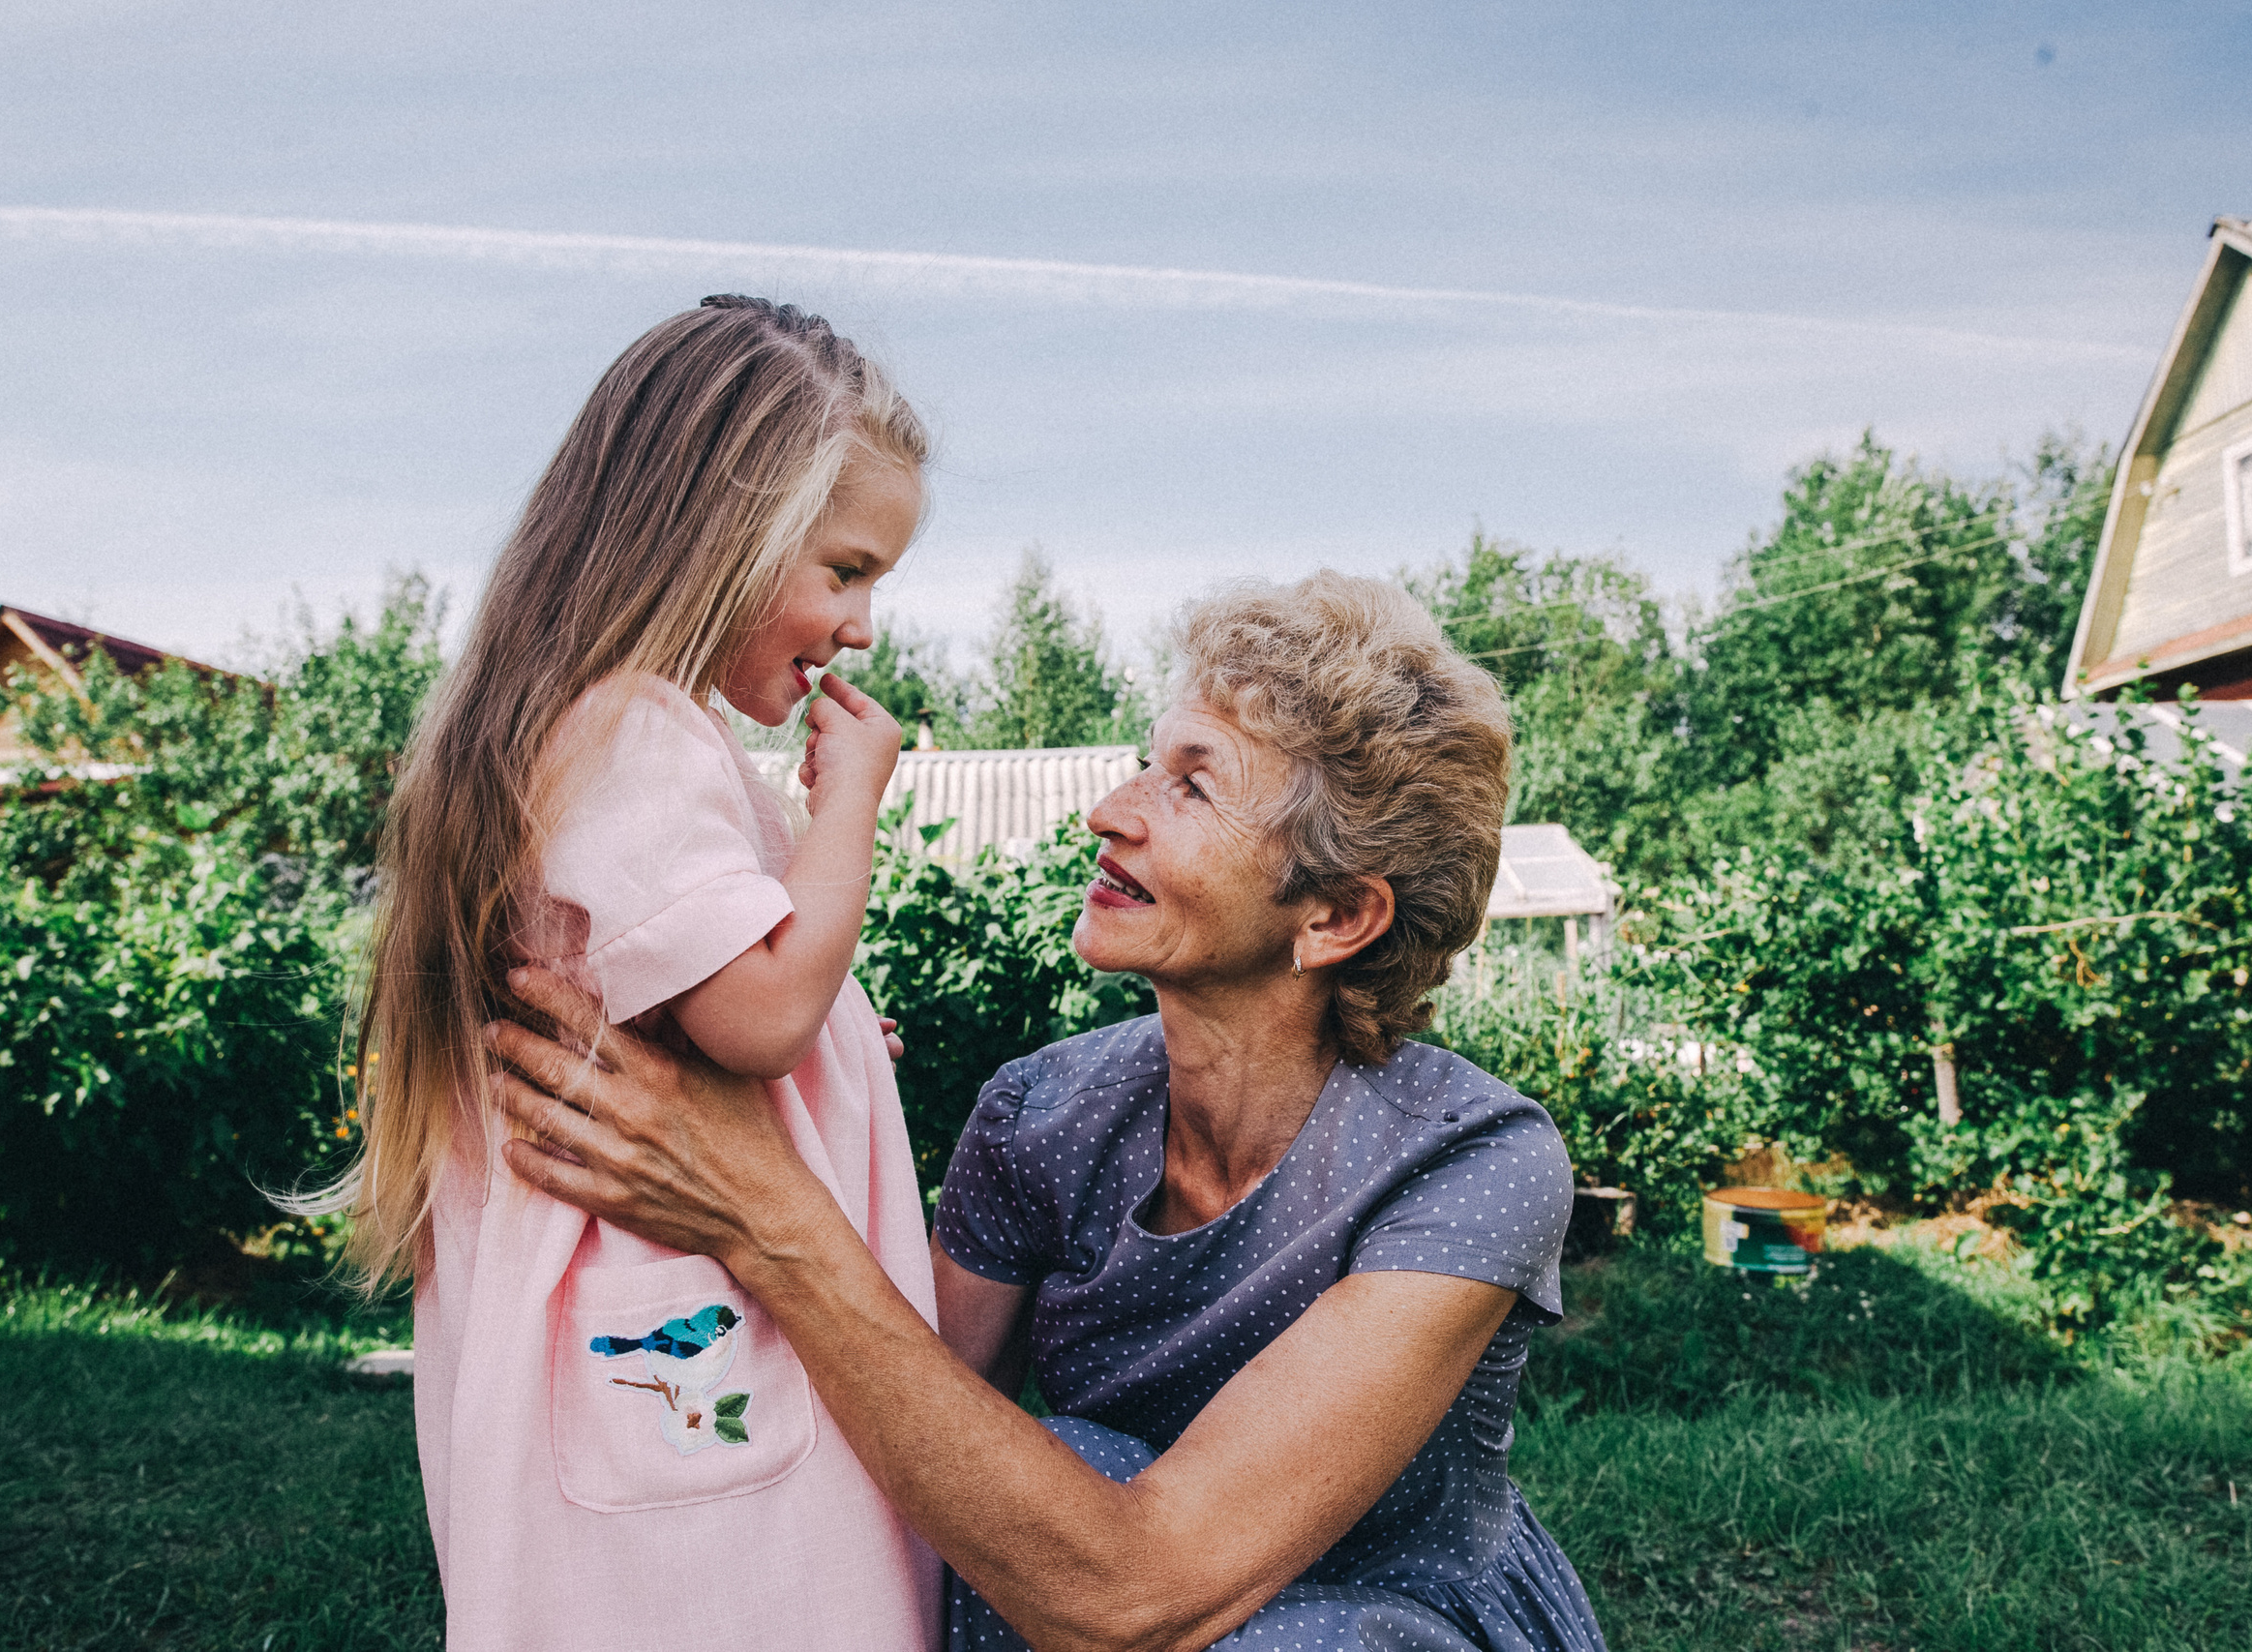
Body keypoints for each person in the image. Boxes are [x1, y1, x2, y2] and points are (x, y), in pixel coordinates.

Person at [484, 572, 1610, 1652]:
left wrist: (766, 1213)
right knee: (1020, 1499)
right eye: (1141, 765)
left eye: (1191, 785)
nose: (1106, 814)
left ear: (1333, 917)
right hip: (1096, 1584)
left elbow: (1139, 1595)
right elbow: (905, 1429)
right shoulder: (1041, 1115)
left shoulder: (1472, 1164)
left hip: (1362, 1621)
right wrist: (771, 1096)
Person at [295, 296, 943, 1650]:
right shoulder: (632, 734)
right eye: (844, 568)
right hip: (688, 1307)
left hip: (677, 1292)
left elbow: (719, 1005)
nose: (864, 625)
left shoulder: (604, 728)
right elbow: (762, 1008)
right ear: (721, 528)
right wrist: (851, 808)